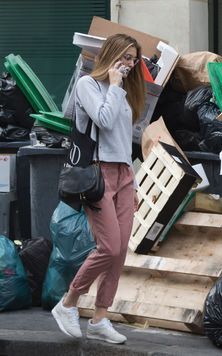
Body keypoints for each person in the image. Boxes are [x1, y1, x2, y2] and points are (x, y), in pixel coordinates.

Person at [51, 33, 145, 344]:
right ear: (111, 54)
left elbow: (123, 136)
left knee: (120, 254)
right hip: (97, 175)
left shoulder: (123, 90)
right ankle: (68, 303)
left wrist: (134, 178)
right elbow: (103, 121)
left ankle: (100, 317)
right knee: (109, 246)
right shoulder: (87, 85)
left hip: (124, 174)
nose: (128, 64)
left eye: (133, 59)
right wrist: (115, 86)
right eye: (124, 57)